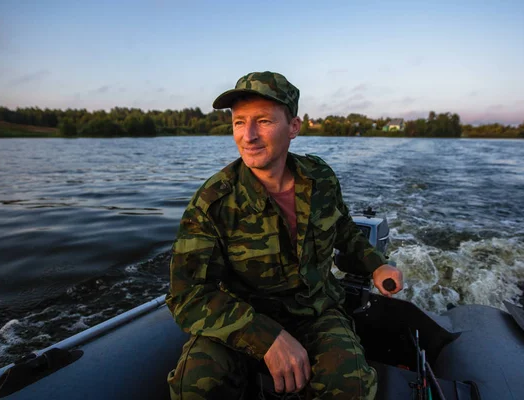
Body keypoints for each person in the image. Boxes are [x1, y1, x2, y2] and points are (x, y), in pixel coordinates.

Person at [166, 71, 403, 400]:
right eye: (238, 122)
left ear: (293, 127)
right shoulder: (213, 202)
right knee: (194, 385)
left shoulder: (319, 178)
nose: (248, 136)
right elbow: (187, 294)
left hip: (316, 313)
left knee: (353, 386)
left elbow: (345, 231)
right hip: (243, 318)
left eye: (263, 121)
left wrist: (376, 265)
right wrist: (266, 337)